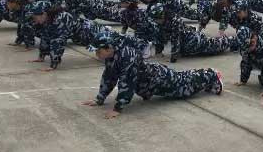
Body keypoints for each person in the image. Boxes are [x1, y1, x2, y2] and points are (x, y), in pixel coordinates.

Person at [82, 31, 223, 118]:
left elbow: (126, 83)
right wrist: (100, 99)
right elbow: (109, 77)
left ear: (108, 48)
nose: (96, 54)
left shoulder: (127, 56)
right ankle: (206, 75)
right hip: (149, 82)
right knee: (183, 79)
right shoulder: (111, 56)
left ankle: (212, 75)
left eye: (98, 51)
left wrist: (117, 108)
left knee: (184, 89)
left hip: (158, 79)